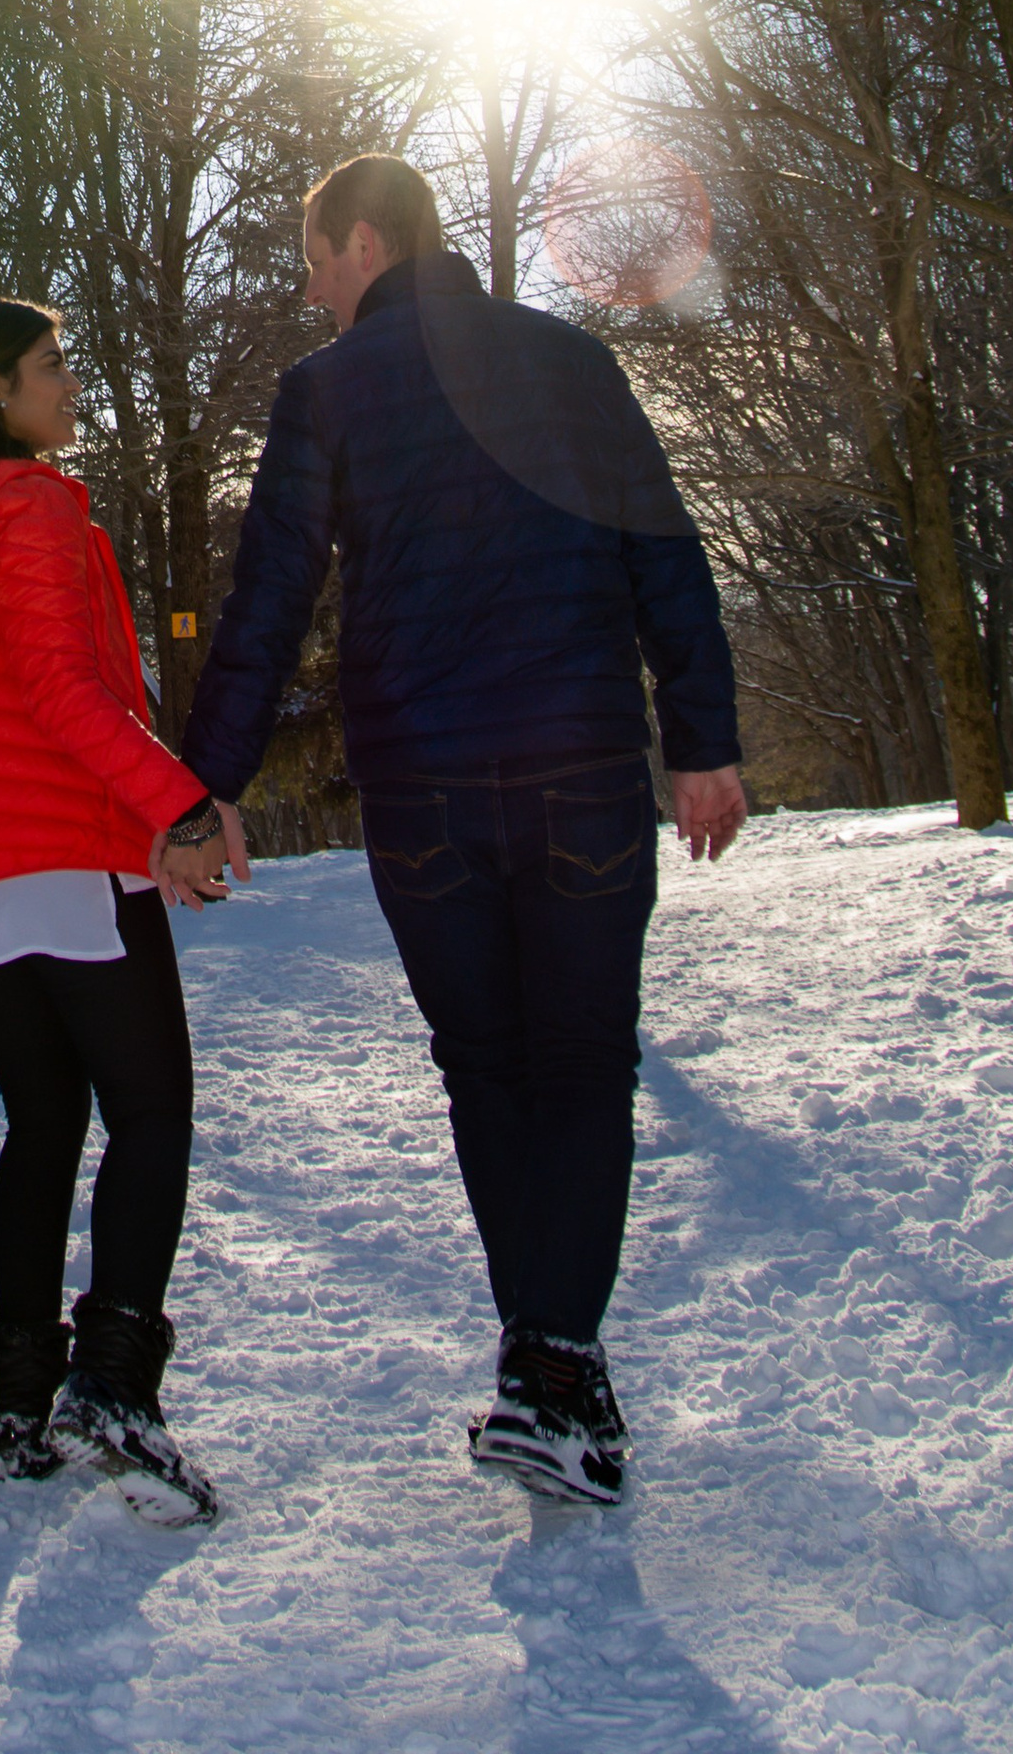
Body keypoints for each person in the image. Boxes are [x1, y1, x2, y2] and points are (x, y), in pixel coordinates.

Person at [178, 157, 746, 1508]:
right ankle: (556, 1367)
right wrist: (704, 738)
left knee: (490, 1068)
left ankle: (547, 1369)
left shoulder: (326, 392)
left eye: (316, 256)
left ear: (366, 242)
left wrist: (205, 787)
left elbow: (267, 601)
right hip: (585, 771)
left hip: (426, 787)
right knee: (583, 1064)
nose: (309, 285)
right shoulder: (570, 358)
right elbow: (662, 547)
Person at [0, 296, 234, 1524]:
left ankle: (23, 1404)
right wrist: (177, 808)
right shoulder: (26, 502)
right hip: (58, 853)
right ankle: (114, 1387)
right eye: (51, 365)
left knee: (43, 1116)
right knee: (152, 1108)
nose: (71, 384)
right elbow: (61, 689)